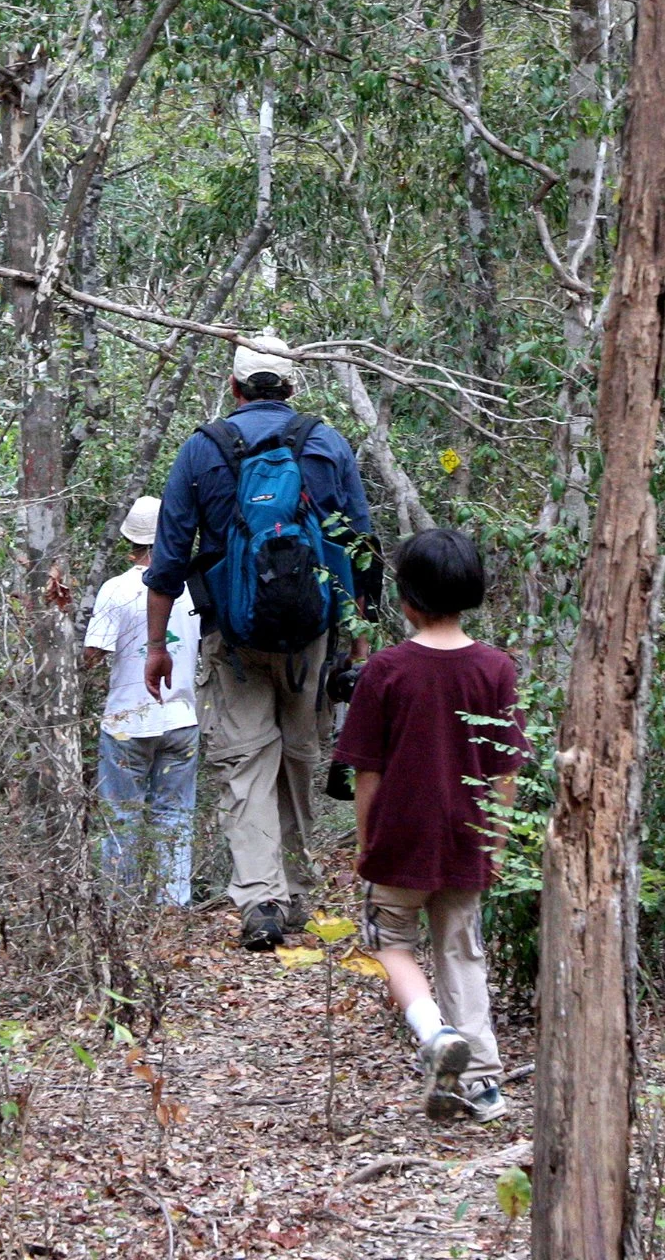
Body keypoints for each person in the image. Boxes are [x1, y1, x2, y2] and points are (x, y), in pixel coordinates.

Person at [143, 336, 377, 951]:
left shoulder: (203, 449)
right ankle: (296, 892)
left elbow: (169, 557)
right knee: (298, 754)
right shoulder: (327, 443)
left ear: (235, 386)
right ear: (291, 387)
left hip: (234, 633)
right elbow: (362, 547)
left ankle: (260, 898)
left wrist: (155, 645)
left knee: (246, 761)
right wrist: (357, 644)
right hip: (312, 635)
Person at [331, 529, 524, 1123]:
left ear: (406, 598)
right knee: (462, 952)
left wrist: (367, 844)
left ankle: (433, 1033)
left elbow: (367, 772)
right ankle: (485, 1084)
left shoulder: (386, 670)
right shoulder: (496, 669)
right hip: (469, 838)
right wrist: (496, 842)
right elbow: (506, 771)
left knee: (390, 942)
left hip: (401, 840)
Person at [84, 496, 202, 908]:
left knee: (122, 816)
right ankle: (172, 905)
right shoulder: (191, 588)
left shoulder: (115, 590)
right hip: (182, 717)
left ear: (130, 541)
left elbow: (92, 655)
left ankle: (120, 909)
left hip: (126, 721)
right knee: (174, 814)